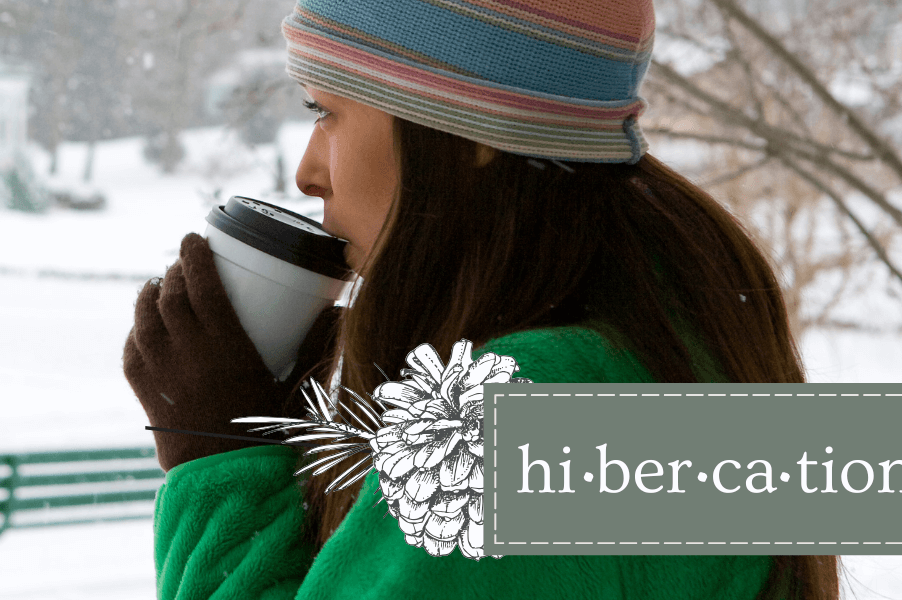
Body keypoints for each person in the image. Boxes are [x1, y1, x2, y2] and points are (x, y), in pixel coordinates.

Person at [122, 0, 842, 598]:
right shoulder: (668, 333)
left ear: (470, 128)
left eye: (326, 110)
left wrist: (217, 460)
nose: (310, 171)